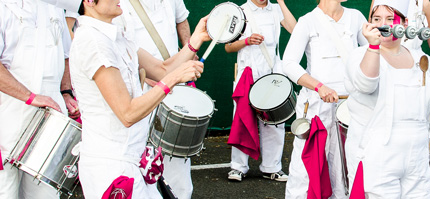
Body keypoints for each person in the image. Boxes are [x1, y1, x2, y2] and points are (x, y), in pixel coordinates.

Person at [70, 0, 209, 198]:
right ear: (90, 2)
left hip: (133, 162)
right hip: (111, 167)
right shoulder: (93, 42)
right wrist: (176, 78)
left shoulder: (116, 36)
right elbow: (127, 113)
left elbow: (162, 70)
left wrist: (196, 38)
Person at [344, 0, 430, 197]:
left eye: (390, 19)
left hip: (417, 156)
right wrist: (373, 46)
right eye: (376, 19)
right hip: (377, 156)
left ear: (404, 25)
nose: (383, 24)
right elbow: (366, 84)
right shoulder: (360, 55)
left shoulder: (419, 57)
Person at [282, 0, 368, 198]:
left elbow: (372, 53)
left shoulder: (355, 17)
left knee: (345, 166)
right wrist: (319, 86)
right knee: (306, 166)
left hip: (349, 106)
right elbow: (288, 63)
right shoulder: (307, 21)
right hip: (315, 106)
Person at [113, 0, 196, 197]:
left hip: (175, 85)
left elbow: (182, 21)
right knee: (139, 159)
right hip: (142, 88)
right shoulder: (117, 4)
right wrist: (144, 73)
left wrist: (189, 52)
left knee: (177, 160)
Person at [0, 0, 80, 198]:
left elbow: (66, 54)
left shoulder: (54, 5)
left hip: (50, 112)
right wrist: (30, 97)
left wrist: (66, 93)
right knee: (5, 190)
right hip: (8, 111)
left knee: (45, 192)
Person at [224, 0, 296, 182]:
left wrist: (281, 2)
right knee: (242, 119)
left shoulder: (276, 9)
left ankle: (272, 167)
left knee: (274, 122)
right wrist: (246, 41)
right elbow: (228, 46)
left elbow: (294, 29)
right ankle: (238, 167)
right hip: (248, 74)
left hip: (272, 72)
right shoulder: (241, 11)